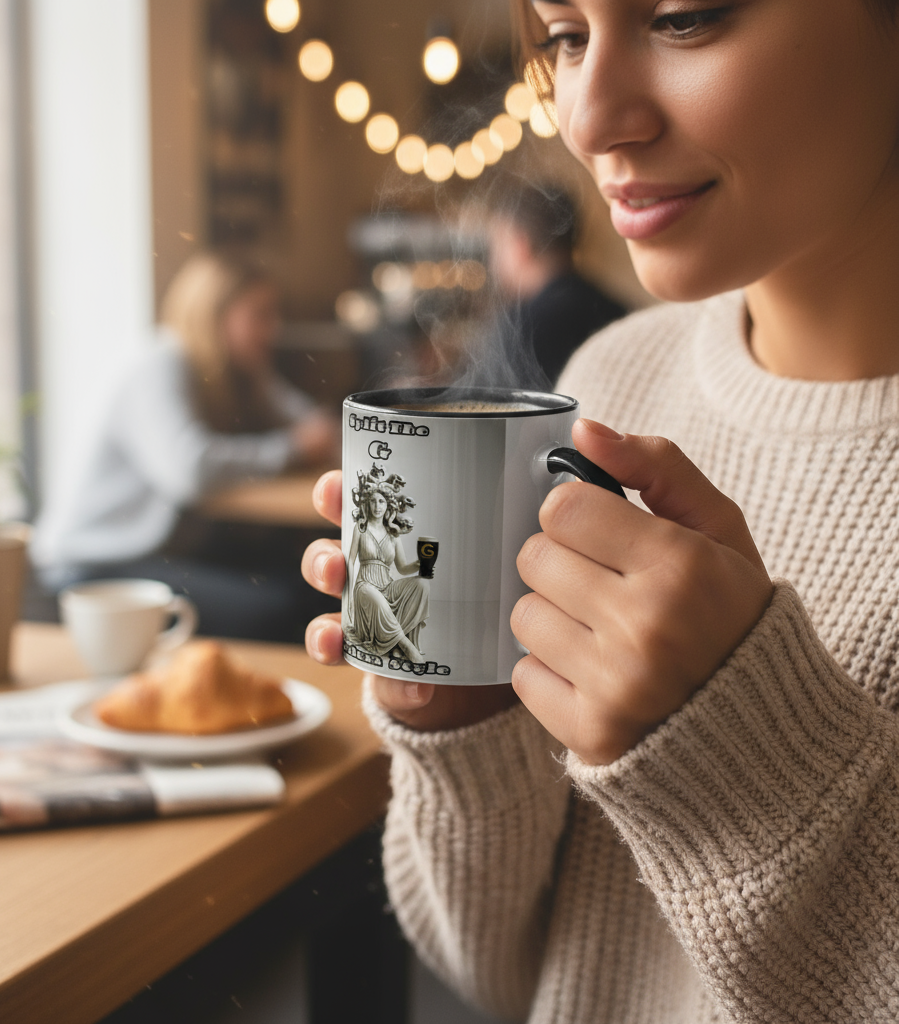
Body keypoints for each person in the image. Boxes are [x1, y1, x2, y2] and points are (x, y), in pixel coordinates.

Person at [300, 0, 899, 1021]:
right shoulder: (611, 382)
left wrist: (741, 755)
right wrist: (468, 728)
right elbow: (511, 975)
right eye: (565, 36)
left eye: (683, 17)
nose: (585, 119)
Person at [33, 252, 338, 642]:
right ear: (214, 314)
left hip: (157, 554)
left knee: (302, 586)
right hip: (93, 565)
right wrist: (293, 448)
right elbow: (190, 471)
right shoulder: (160, 361)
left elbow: (317, 429)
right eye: (260, 315)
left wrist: (312, 439)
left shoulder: (238, 372)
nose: (273, 328)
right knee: (279, 609)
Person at [484, 176, 626, 388]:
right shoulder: (617, 310)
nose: (494, 261)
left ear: (520, 246)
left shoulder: (521, 326)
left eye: (498, 245)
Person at [342, 463, 428, 664]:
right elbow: (350, 561)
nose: (377, 506)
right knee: (376, 598)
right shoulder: (360, 528)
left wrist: (419, 564)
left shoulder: (393, 534)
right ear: (367, 504)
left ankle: (394, 644)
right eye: (373, 501)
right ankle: (406, 646)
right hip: (365, 586)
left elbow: (402, 568)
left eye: (381, 501)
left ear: (388, 505)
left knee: (422, 584)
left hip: (386, 585)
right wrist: (347, 597)